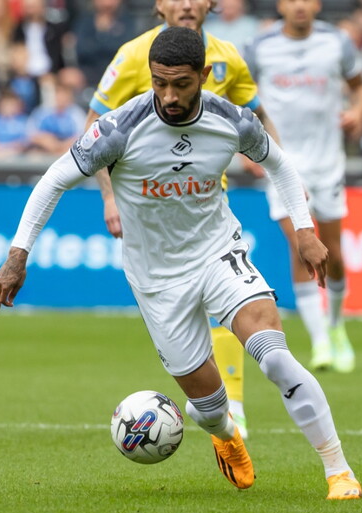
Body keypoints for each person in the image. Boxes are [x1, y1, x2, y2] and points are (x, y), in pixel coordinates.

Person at [0, 26, 362, 501]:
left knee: (276, 358)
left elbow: (280, 165)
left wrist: (305, 231)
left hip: (217, 254)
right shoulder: (120, 127)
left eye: (181, 84)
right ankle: (226, 435)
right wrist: (17, 256)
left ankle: (339, 471)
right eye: (160, 82)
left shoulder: (233, 120)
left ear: (203, 75)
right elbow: (52, 181)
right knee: (207, 407)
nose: (169, 95)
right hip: (157, 279)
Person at [86, 0, 282, 439]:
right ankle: (215, 408)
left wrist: (274, 164)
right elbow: (94, 124)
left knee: (229, 305)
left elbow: (258, 115)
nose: (188, 3)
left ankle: (234, 404)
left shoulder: (228, 57)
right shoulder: (134, 55)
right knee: (182, 319)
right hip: (152, 208)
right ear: (160, 6)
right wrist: (109, 196)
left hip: (208, 200)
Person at [245, 0, 362, 373]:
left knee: (333, 253)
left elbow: (360, 88)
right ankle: (319, 344)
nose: (299, 5)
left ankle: (335, 327)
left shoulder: (338, 42)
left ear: (317, 5)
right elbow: (240, 98)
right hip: (282, 164)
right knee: (302, 244)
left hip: (328, 163)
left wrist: (359, 111)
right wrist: (247, 150)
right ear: (281, 5)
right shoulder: (259, 47)